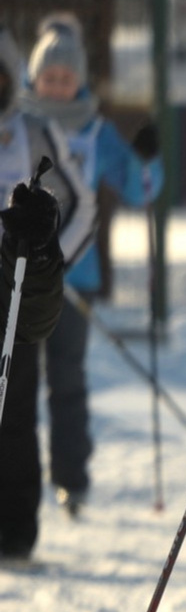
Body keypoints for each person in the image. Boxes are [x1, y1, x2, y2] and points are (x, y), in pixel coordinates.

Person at [16, 14, 163, 520]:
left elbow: (140, 187)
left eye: (65, 77)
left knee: (67, 379)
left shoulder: (97, 131)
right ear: (33, 79)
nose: (56, 86)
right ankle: (16, 486)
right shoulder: (14, 124)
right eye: (48, 78)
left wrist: (148, 160)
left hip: (72, 278)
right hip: (14, 277)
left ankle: (71, 479)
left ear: (80, 80)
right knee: (15, 385)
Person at [0, 170, 69, 566]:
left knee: (14, 416)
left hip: (14, 292)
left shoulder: (30, 131)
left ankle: (14, 530)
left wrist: (40, 251)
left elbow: (29, 321)